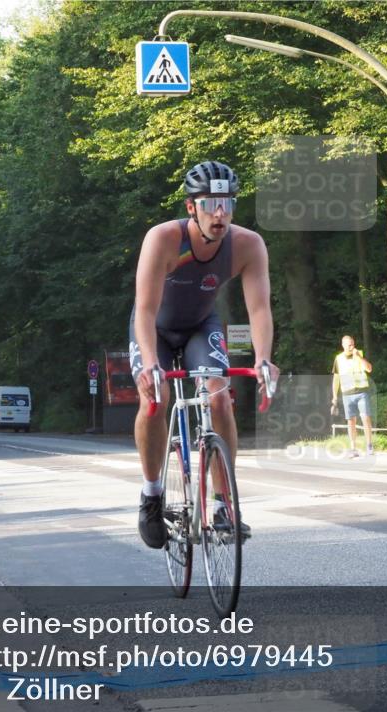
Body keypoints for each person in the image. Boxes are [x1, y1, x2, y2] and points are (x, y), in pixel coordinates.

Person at [131, 160, 279, 549]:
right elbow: (144, 310)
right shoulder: (163, 239)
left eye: (227, 203)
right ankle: (151, 495)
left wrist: (263, 358)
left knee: (218, 396)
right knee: (155, 399)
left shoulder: (247, 245)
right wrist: (150, 365)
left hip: (200, 325)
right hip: (155, 329)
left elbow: (260, 309)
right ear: (190, 207)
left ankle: (223, 504)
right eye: (211, 203)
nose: (220, 213)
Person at [331, 336, 374, 457]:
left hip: (361, 392)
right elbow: (336, 379)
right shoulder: (338, 359)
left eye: (353, 344)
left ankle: (369, 445)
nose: (352, 347)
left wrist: (359, 358)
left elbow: (369, 369)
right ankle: (353, 448)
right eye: (349, 345)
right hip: (347, 394)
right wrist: (334, 396)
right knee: (351, 421)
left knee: (366, 418)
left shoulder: (359, 354)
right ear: (343, 345)